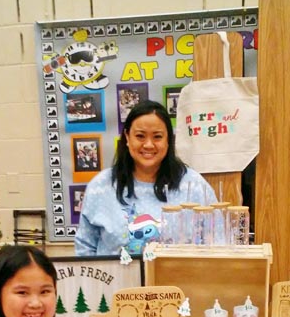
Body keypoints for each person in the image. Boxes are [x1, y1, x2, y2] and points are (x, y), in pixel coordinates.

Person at [75, 99, 217, 256]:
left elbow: (218, 242)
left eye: (157, 137)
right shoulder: (100, 187)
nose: (148, 144)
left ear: (168, 140)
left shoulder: (194, 186)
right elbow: (84, 250)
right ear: (127, 137)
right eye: (140, 136)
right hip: (117, 273)